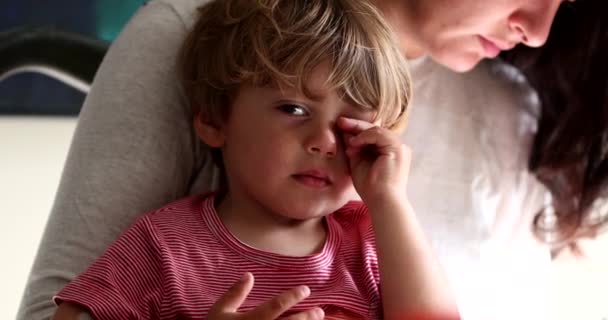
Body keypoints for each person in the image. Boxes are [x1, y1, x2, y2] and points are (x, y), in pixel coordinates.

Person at [18, 0, 572, 319]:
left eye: (354, 123)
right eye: (292, 108)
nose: (327, 142)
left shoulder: (368, 237)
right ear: (213, 118)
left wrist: (390, 204)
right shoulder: (163, 243)